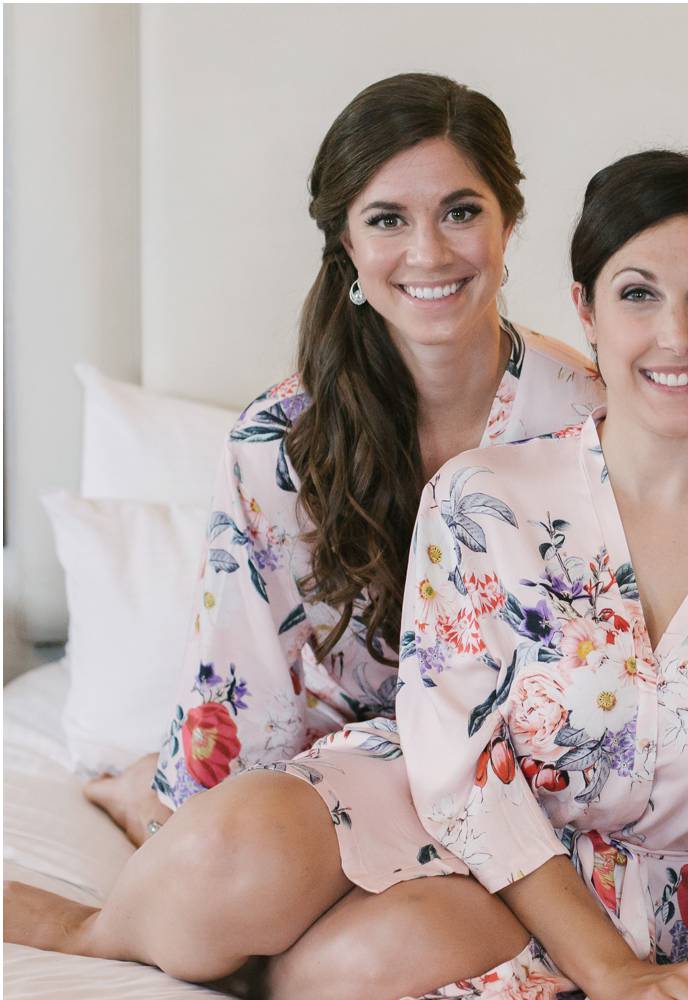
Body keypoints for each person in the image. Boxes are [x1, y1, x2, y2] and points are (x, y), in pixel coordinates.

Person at [6, 149, 688, 1000]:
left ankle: (234, 950)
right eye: (638, 293)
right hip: (438, 794)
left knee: (349, 969)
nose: (676, 334)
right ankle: (99, 932)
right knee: (237, 845)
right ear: (586, 309)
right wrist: (612, 976)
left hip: (627, 880)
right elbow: (458, 762)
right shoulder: (484, 494)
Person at [83, 72, 602, 847]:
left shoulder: (584, 419)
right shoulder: (279, 439)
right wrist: (198, 842)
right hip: (341, 758)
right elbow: (244, 684)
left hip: (526, 776)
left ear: (508, 222)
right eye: (387, 219)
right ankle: (136, 801)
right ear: (347, 243)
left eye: (461, 212)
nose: (428, 252)